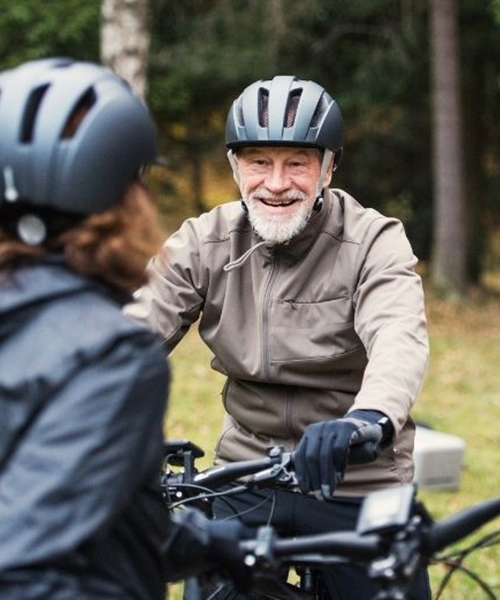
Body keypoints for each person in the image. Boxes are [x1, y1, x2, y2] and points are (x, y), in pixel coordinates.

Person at [0, 58, 247, 600]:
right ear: (120, 198)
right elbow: (15, 568)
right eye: (137, 181)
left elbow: (46, 511)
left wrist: (197, 542)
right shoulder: (109, 352)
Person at [126, 75, 431, 598]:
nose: (276, 182)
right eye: (259, 162)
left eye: (297, 163)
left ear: (328, 168)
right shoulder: (205, 241)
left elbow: (397, 336)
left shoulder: (373, 241)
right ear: (235, 167)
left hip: (356, 476)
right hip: (246, 472)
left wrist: (368, 420)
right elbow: (132, 332)